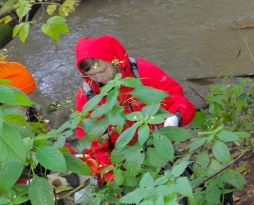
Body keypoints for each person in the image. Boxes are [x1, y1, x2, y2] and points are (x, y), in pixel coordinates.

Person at [74, 34, 197, 183]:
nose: (100, 78)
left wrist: (176, 117)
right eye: (91, 75)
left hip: (156, 148)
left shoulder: (141, 72)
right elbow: (93, 145)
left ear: (114, 60)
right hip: (121, 161)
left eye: (103, 70)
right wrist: (111, 178)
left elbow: (177, 98)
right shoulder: (87, 96)